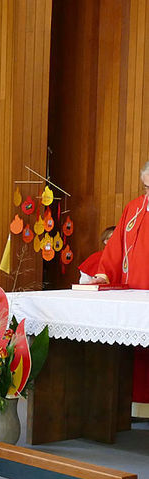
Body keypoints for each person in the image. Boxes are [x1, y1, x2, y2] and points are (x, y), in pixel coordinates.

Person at [92, 160, 149, 417]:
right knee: (134, 353)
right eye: (146, 187)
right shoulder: (135, 207)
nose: (147, 194)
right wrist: (104, 274)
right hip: (132, 294)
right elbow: (115, 247)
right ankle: (134, 406)